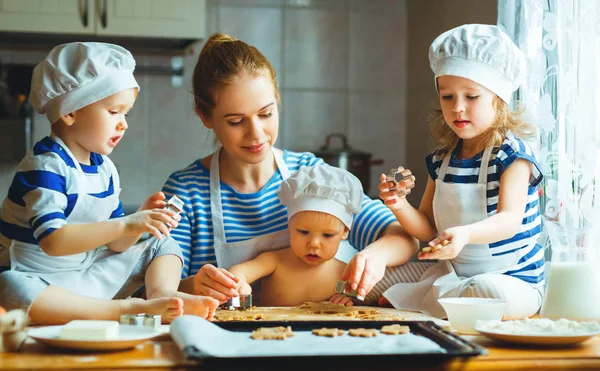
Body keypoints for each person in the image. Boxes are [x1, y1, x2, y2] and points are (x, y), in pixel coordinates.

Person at [161, 33, 418, 305]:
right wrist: (194, 286)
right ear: (205, 117)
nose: (256, 134)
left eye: (266, 114)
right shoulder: (185, 193)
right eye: (236, 121)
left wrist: (375, 256)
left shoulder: (310, 176)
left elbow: (403, 237)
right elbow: (146, 292)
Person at [0, 42, 219, 325]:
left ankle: (161, 295)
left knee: (160, 241)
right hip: (37, 276)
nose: (123, 124)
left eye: (125, 114)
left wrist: (139, 223)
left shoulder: (104, 169)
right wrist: (127, 224)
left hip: (84, 272)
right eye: (114, 111)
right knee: (11, 288)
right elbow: (53, 241)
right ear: (70, 112)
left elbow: (116, 245)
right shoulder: (45, 165)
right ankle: (123, 311)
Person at [372, 24, 545, 320]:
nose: (458, 108)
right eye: (447, 96)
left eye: (471, 96)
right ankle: (441, 300)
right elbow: (427, 227)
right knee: (379, 280)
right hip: (453, 273)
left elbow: (509, 221)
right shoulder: (442, 160)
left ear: (499, 98)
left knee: (485, 292)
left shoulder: (511, 155)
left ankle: (433, 301)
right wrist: (397, 204)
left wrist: (465, 234)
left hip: (512, 280)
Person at [228, 163, 363, 306]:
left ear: (344, 232)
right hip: (270, 328)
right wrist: (239, 282)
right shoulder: (275, 261)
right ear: (289, 226)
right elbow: (239, 271)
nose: (314, 243)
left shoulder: (344, 274)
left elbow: (360, 301)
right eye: (304, 232)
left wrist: (348, 300)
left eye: (327, 235)